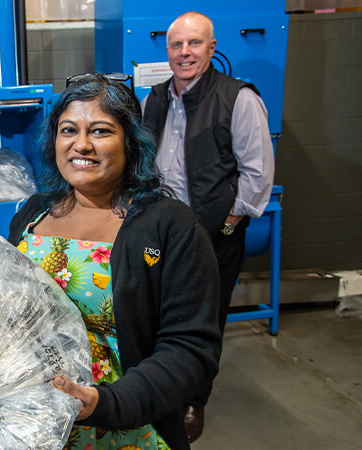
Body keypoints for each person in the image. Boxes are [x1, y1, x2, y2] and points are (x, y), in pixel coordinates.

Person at [8, 74, 222, 450]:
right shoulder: (32, 215)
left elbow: (191, 351)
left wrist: (106, 403)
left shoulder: (170, 227)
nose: (81, 145)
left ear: (131, 141)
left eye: (101, 131)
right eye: (68, 129)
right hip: (36, 427)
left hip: (126, 428)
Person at [141, 11, 276, 442]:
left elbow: (257, 173)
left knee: (202, 324)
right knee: (153, 315)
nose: (184, 53)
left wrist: (228, 221)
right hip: (160, 233)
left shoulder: (239, 99)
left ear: (212, 48)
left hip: (211, 238)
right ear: (167, 51)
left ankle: (194, 401)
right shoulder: (155, 99)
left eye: (194, 44)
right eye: (177, 45)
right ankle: (159, 392)